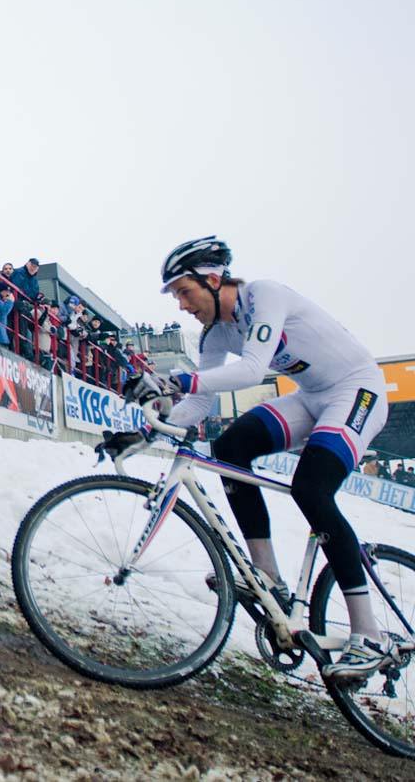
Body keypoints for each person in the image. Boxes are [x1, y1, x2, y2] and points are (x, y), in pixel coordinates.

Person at [112, 236, 395, 683]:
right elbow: (199, 405)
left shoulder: (265, 295)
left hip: (357, 390)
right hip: (312, 396)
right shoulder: (216, 333)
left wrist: (177, 381)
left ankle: (371, 634)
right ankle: (267, 575)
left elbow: (248, 371)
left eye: (185, 292)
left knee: (312, 488)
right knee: (230, 448)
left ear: (212, 278)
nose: (182, 306)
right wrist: (147, 434)